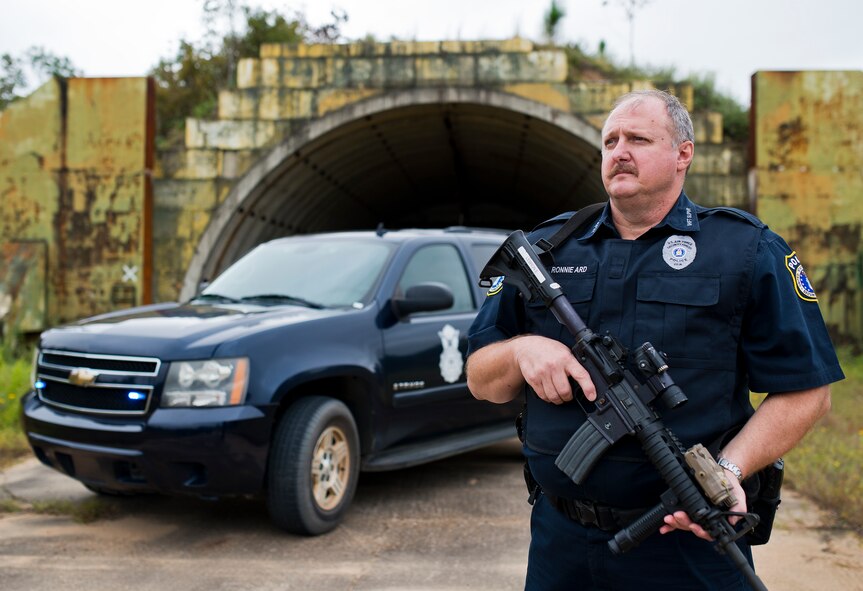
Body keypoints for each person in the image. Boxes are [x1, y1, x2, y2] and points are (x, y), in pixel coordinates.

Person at [465, 89, 844, 590]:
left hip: (687, 543)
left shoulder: (746, 250)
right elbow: (480, 379)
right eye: (610, 140)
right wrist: (520, 350)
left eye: (638, 139)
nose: (619, 150)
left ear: (683, 152)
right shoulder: (545, 249)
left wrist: (728, 471)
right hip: (562, 544)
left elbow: (808, 390)